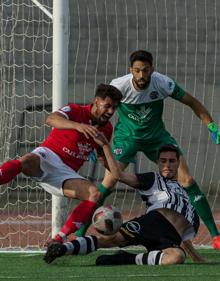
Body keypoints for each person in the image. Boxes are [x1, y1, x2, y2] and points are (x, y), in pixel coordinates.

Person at [75, 50, 220, 250]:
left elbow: (192, 102)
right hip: (126, 139)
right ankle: (79, 234)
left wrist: (211, 125)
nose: (141, 75)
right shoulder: (119, 85)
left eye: (145, 70)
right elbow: (101, 110)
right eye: (137, 71)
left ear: (152, 69)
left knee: (187, 180)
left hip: (156, 138)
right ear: (130, 70)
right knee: (108, 182)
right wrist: (95, 140)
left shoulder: (162, 83)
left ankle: (215, 236)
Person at [44, 137, 202, 266]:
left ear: (178, 163)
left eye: (172, 161)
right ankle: (62, 249)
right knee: (110, 239)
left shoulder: (186, 190)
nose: (167, 165)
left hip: (171, 237)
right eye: (163, 161)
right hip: (152, 223)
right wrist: (106, 147)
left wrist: (196, 256)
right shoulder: (153, 179)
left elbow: (183, 232)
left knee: (176, 258)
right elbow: (119, 175)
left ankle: (126, 258)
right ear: (158, 163)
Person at [0, 83, 122, 244]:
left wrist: (107, 153)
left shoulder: (106, 128)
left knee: (94, 194)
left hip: (66, 174)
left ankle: (58, 239)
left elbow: (101, 157)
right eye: (107, 106)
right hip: (48, 156)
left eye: (114, 108)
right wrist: (78, 126)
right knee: (26, 160)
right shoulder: (75, 110)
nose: (111, 112)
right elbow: (51, 119)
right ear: (96, 101)